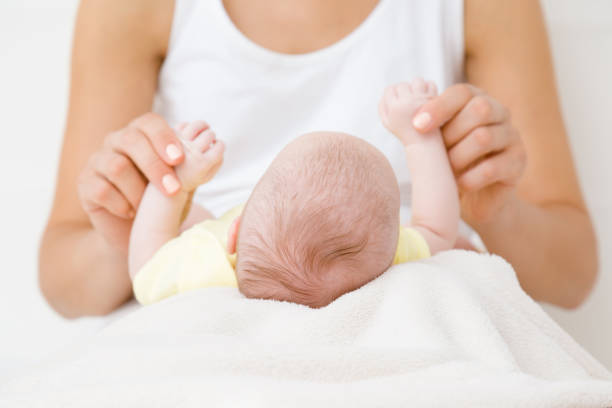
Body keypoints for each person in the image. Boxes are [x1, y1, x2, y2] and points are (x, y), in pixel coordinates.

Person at [39, 0, 597, 318]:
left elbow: (573, 278)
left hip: (407, 316)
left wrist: (170, 194)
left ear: (230, 237)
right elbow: (63, 284)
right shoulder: (407, 248)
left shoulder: (205, 257)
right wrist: (419, 140)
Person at [130, 79, 458, 308]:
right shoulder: (382, 262)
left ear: (234, 233)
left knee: (194, 221)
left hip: (209, 235)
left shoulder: (206, 267)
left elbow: (146, 265)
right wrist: (419, 140)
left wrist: (176, 184)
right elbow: (436, 227)